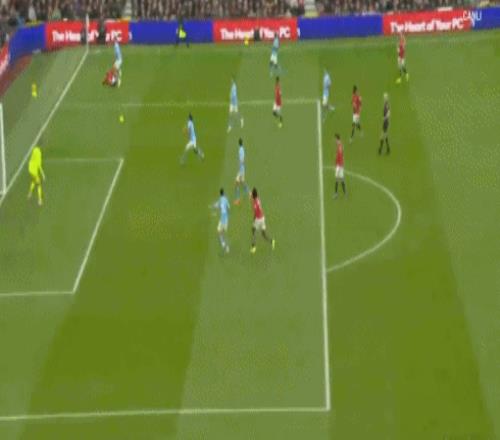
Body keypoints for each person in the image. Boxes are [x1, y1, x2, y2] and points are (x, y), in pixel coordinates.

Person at [250, 188, 275, 254]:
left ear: (253, 195)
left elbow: (255, 213)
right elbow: (254, 196)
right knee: (263, 234)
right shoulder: (258, 199)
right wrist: (252, 196)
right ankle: (272, 241)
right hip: (263, 217)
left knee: (253, 231)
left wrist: (254, 220)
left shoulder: (255, 203)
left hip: (258, 219)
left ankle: (253, 247)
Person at [27, 142, 46, 206]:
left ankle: (29, 194)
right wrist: (43, 174)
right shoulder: (39, 153)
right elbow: (39, 166)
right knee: (39, 184)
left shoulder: (34, 149)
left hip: (30, 169)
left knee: (33, 181)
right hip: (34, 171)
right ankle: (40, 200)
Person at [212, 188, 230, 253]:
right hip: (226, 219)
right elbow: (228, 207)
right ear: (224, 193)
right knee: (223, 233)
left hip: (222, 220)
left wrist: (214, 206)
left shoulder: (220, 200)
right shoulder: (226, 199)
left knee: (219, 232)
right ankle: (226, 246)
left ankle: (224, 244)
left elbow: (217, 206)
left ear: (220, 194)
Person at [234, 138, 249, 205]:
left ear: (238, 143)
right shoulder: (242, 149)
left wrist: (240, 169)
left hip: (241, 169)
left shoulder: (240, 150)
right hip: (242, 169)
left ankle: (238, 200)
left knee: (236, 183)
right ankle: (250, 193)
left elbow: (241, 160)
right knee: (242, 183)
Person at [333, 133, 346, 199]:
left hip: (339, 165)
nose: (334, 140)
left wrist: (339, 166)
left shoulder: (340, 146)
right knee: (340, 179)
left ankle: (337, 194)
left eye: (335, 139)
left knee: (339, 179)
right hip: (339, 164)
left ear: (337, 139)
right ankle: (343, 194)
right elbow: (341, 155)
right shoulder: (339, 145)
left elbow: (340, 156)